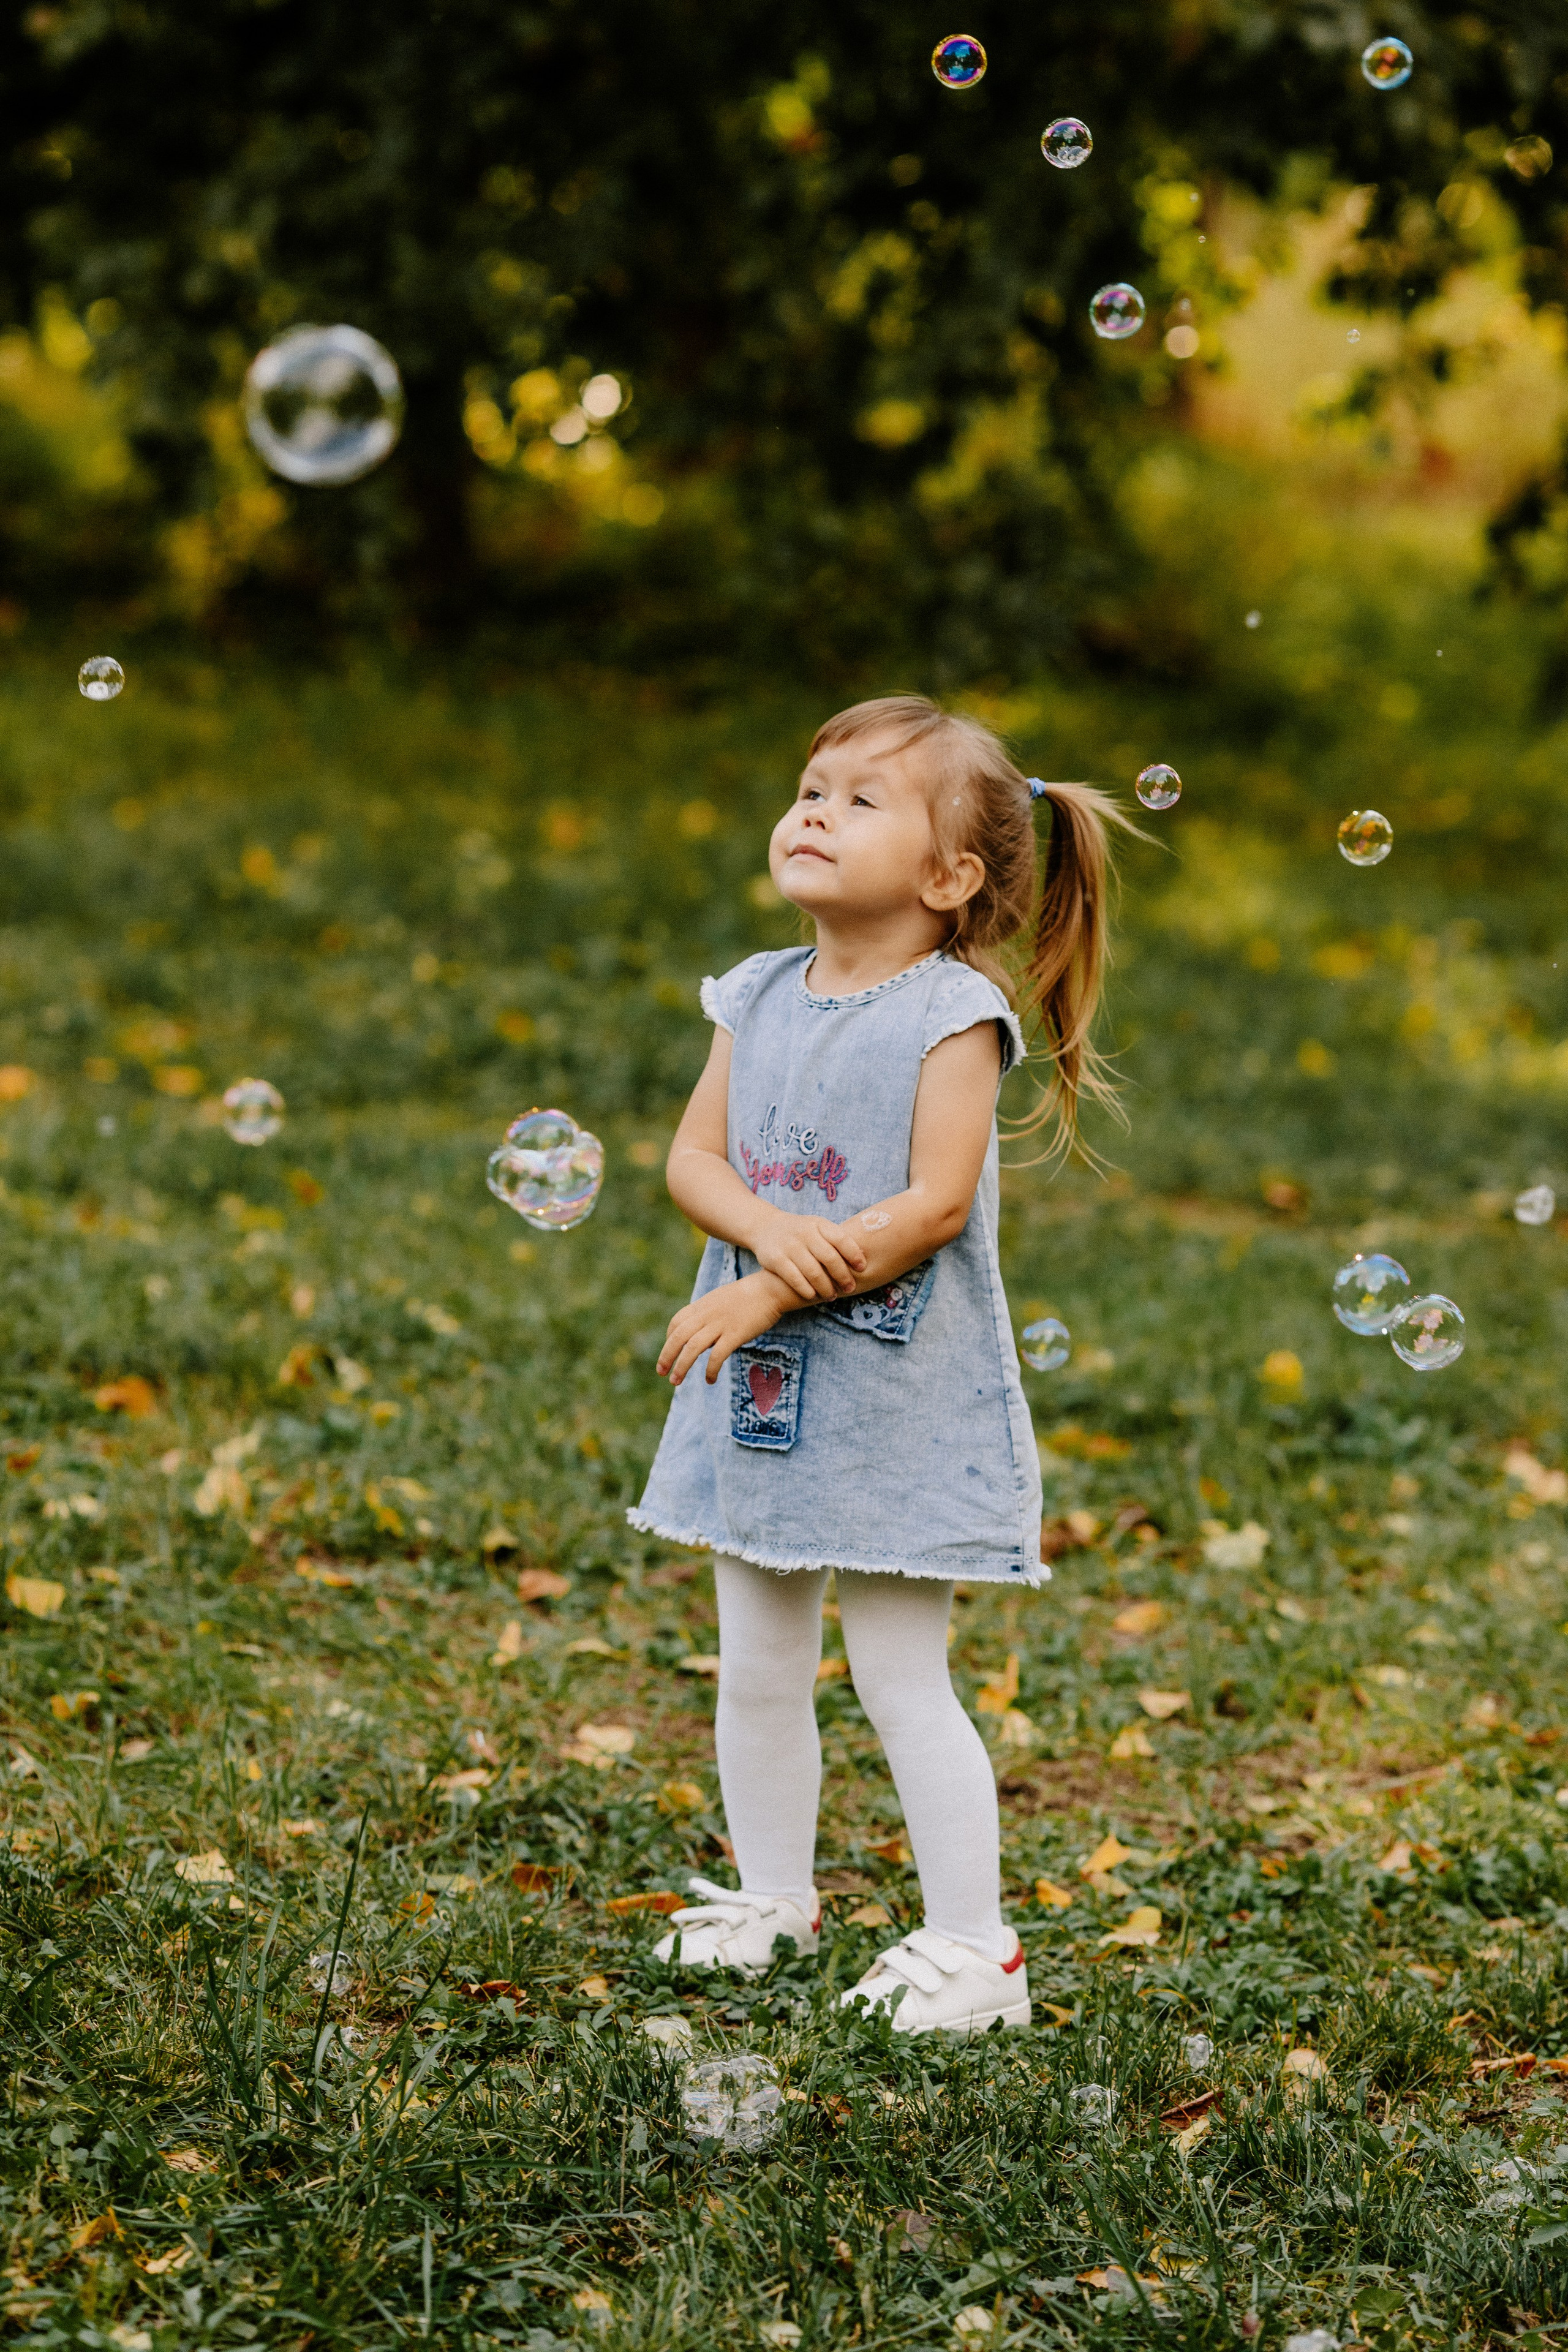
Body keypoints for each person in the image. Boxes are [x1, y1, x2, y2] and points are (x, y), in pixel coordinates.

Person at [628, 694, 1130, 2034]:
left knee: (899, 1674)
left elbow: (932, 1207)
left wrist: (767, 1288)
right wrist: (764, 1242)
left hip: (895, 1394)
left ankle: (976, 1950)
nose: (812, 811)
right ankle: (771, 1900)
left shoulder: (951, 1013)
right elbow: (692, 1159)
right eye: (808, 785)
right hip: (766, 1396)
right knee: (755, 1660)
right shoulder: (755, 992)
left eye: (860, 800)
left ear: (946, 876)